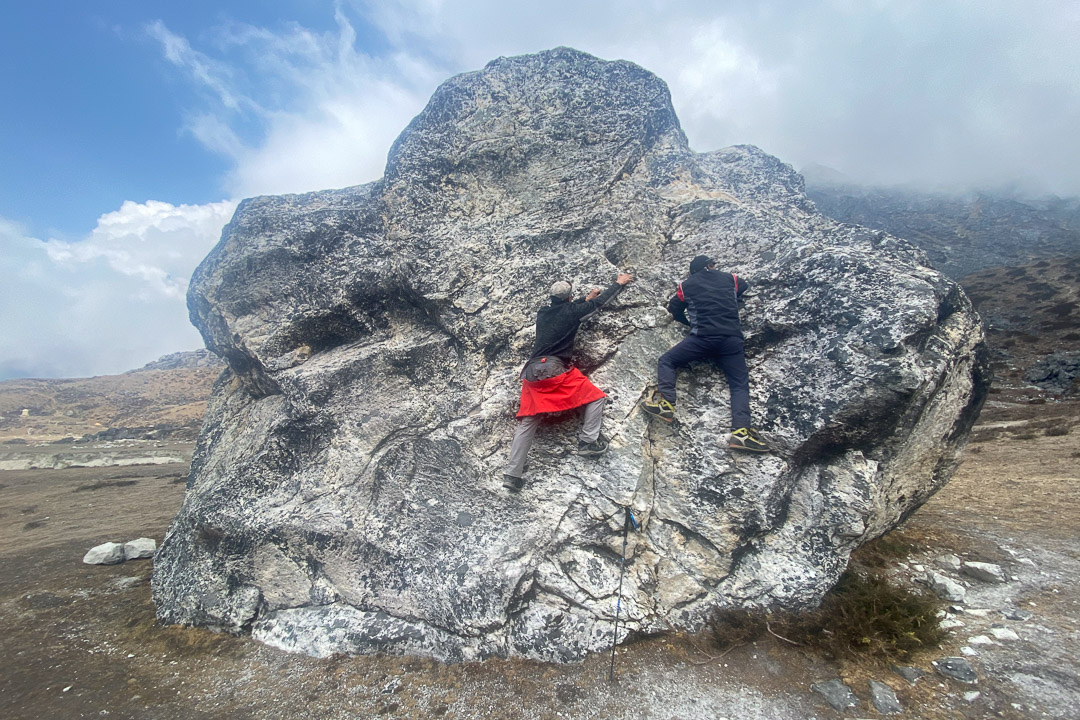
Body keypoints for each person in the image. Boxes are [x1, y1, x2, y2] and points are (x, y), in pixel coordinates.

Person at [503, 271, 635, 490]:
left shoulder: (543, 313)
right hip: (553, 369)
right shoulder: (572, 311)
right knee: (595, 398)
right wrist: (618, 284)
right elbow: (599, 304)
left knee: (529, 420)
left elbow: (566, 311)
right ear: (570, 298)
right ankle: (588, 442)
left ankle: (512, 475)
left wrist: (585, 299)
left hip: (531, 372)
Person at [641, 255, 769, 452]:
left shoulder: (686, 285)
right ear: (709, 266)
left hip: (703, 338)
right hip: (731, 340)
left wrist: (689, 323)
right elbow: (743, 286)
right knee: (739, 384)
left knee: (667, 360)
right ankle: (741, 432)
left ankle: (666, 403)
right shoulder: (730, 278)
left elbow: (674, 308)